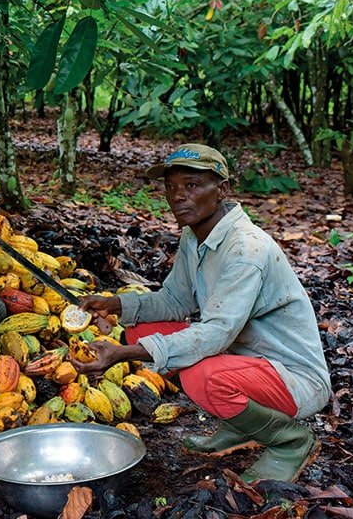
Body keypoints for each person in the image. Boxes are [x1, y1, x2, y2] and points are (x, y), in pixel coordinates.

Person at [70, 143, 331, 483]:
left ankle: (291, 442)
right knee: (142, 331)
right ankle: (239, 426)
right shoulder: (194, 238)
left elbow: (216, 333)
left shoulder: (246, 248)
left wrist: (123, 354)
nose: (178, 196)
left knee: (202, 377)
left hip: (295, 379)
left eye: (192, 186)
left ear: (222, 189)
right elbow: (174, 301)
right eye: (171, 187)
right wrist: (116, 304)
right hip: (248, 362)